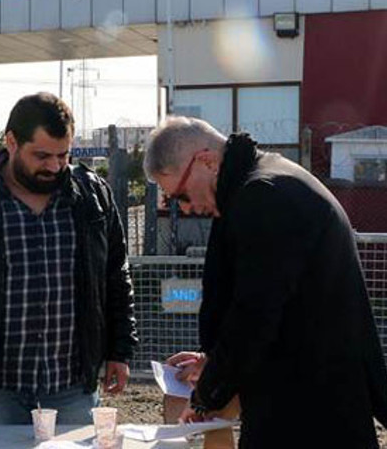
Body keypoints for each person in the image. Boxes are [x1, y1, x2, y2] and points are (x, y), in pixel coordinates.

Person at [143, 116, 387, 447]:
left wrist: (208, 394)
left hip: (309, 413)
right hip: (308, 399)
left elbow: (254, 315)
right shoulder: (267, 181)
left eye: (181, 195)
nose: (185, 208)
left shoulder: (263, 196)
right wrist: (213, 363)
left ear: (207, 161)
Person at [0, 92, 137, 425]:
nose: (54, 166)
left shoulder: (93, 197)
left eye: (63, 155)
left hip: (72, 382)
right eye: (41, 155)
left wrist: (119, 351)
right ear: (11, 142)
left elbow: (116, 278)